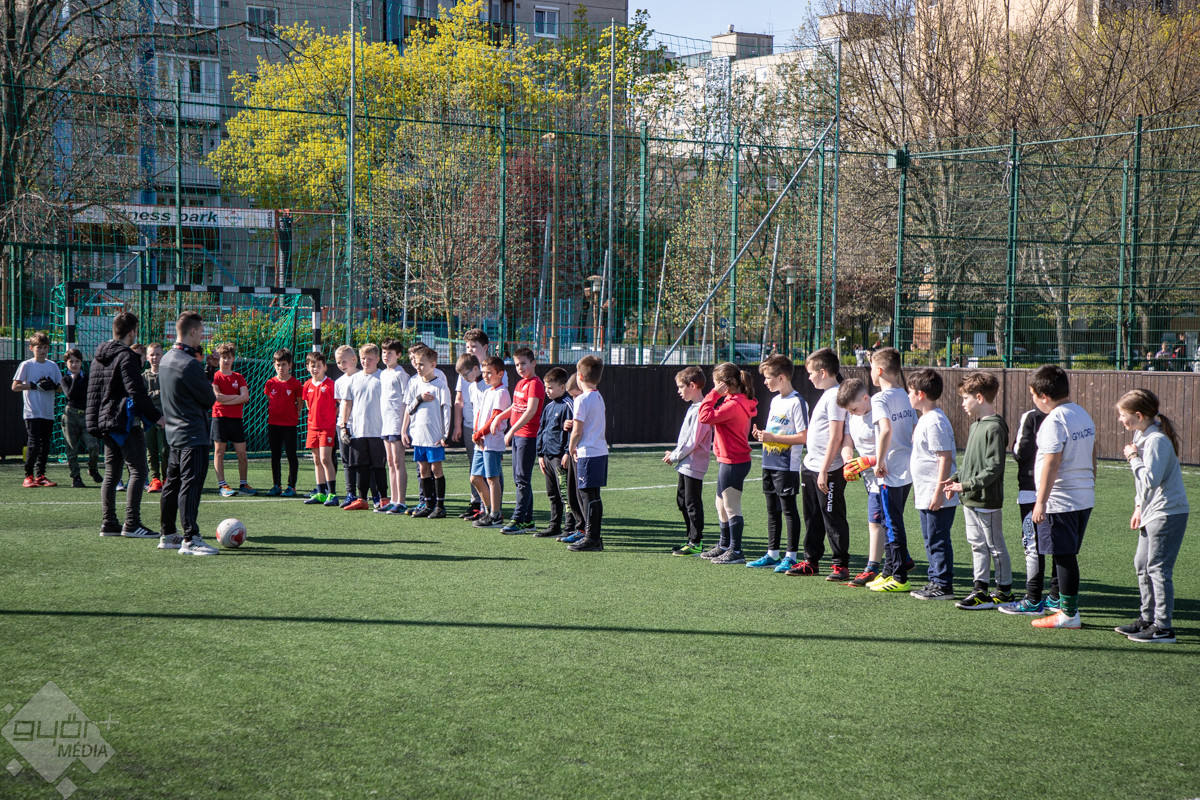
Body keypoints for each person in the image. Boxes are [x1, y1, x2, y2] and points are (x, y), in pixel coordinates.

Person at [1115, 389, 1188, 643]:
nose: (1120, 420)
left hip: (1167, 512)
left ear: (1138, 415)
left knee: (1158, 568)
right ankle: (1147, 619)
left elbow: (1150, 479)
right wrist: (1138, 507)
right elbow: (1143, 486)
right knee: (1142, 564)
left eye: (1123, 415)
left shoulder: (1156, 441)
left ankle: (1163, 627)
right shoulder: (1141, 434)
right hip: (1151, 512)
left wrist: (1133, 458)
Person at [1027, 365, 1096, 630]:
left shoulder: (1054, 421)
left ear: (1044, 396)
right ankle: (1064, 608)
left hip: (1061, 500)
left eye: (1033, 395)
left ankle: (1068, 614)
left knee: (1063, 556)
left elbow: (1051, 463)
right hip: (1083, 497)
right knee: (1066, 555)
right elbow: (1092, 453)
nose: (1033, 400)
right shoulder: (1081, 413)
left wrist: (1041, 502)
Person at [85, 312, 164, 538]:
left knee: (112, 473)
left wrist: (95, 422)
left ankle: (109, 523)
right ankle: (132, 523)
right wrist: (156, 417)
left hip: (105, 422)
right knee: (138, 470)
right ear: (132, 332)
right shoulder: (126, 356)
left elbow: (93, 393)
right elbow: (136, 392)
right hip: (125, 421)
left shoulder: (98, 357)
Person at [940, 372, 1012, 610]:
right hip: (969, 498)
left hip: (986, 499)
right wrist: (955, 479)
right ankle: (980, 589)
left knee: (994, 545)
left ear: (979, 398)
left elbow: (994, 468)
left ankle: (1004, 591)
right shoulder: (975, 426)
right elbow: (970, 463)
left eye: (965, 398)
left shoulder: (995, 427)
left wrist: (966, 485)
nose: (963, 403)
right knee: (976, 543)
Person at [158, 311, 219, 555]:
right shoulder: (189, 363)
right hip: (193, 434)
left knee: (172, 484)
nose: (202, 335)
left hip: (174, 434)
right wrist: (209, 371)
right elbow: (208, 398)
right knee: (190, 487)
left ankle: (167, 534)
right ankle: (190, 538)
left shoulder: (165, 359)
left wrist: (209, 368)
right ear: (192, 331)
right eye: (201, 331)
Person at [790, 347, 850, 581]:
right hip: (811, 466)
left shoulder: (835, 396)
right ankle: (811, 561)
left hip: (829, 469)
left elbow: (836, 437)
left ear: (823, 372)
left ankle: (840, 565)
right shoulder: (828, 394)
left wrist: (824, 470)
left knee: (832, 517)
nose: (809, 377)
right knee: (812, 516)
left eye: (811, 373)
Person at [748, 355, 808, 571]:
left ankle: (791, 556)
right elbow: (776, 431)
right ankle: (772, 554)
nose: (765, 381)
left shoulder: (797, 402)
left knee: (788, 510)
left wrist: (772, 437)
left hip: (786, 466)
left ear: (781, 378)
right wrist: (762, 435)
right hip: (769, 462)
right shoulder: (775, 400)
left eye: (768, 377)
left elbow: (803, 437)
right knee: (772, 511)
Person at [998, 400, 1057, 615]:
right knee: (1059, 545)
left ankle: (1033, 599)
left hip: (1031, 489)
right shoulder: (1068, 415)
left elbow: (1020, 452)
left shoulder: (1031, 416)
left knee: (1032, 544)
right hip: (1060, 490)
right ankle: (1056, 596)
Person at [905, 368, 958, 600]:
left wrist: (938, 492)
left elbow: (944, 457)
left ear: (921, 394)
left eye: (910, 391)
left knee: (938, 539)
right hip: (927, 491)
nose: (908, 395)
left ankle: (943, 585)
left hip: (937, 493)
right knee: (930, 538)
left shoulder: (935, 421)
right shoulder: (925, 419)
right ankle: (935, 580)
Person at [868, 347, 918, 593]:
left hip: (890, 470)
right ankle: (889, 571)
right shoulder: (906, 395)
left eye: (870, 368)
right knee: (891, 521)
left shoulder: (880, 399)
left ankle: (899, 577)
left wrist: (879, 461)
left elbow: (886, 429)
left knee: (892, 522)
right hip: (907, 467)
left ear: (878, 370)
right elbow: (914, 428)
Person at [698, 362, 757, 564]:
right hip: (728, 460)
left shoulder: (733, 405)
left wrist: (713, 394)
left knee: (731, 506)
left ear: (725, 384)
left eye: (716, 383)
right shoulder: (735, 400)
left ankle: (736, 550)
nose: (714, 387)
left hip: (733, 461)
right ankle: (724, 545)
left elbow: (704, 416)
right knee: (720, 504)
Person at [836, 378, 886, 587]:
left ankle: (872, 567)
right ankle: (903, 559)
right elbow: (847, 441)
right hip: (869, 479)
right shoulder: (853, 414)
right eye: (849, 410)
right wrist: (849, 460)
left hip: (884, 477)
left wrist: (870, 461)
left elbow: (895, 447)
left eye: (854, 408)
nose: (852, 413)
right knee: (884, 522)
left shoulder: (880, 414)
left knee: (875, 522)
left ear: (866, 398)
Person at [455, 329, 508, 520]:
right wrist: (472, 430)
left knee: (493, 474)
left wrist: (482, 431)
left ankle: (495, 511)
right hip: (477, 432)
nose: (470, 349)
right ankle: (483, 508)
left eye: (474, 346)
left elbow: (497, 413)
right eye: (467, 346)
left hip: (491, 435)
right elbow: (473, 408)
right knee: (476, 474)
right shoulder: (473, 384)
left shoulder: (497, 381)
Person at [666, 366, 713, 557]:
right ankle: (691, 539)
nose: (679, 391)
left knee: (692, 503)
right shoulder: (694, 407)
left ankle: (696, 542)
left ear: (692, 385)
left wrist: (675, 455)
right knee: (682, 501)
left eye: (681, 387)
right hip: (685, 463)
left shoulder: (702, 409)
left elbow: (693, 441)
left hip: (693, 464)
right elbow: (686, 439)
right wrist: (676, 453)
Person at [498, 348, 545, 534]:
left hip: (528, 436)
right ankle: (528, 520)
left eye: (523, 363)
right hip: (518, 436)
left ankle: (518, 519)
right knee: (519, 479)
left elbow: (531, 411)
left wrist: (511, 430)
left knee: (523, 479)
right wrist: (498, 417)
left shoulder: (535, 384)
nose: (520, 367)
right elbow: (515, 407)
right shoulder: (520, 383)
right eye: (517, 364)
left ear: (533, 363)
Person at [402, 344, 452, 518]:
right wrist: (419, 399)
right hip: (418, 436)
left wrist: (445, 434)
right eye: (417, 364)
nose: (418, 367)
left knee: (436, 469)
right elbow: (409, 409)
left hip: (434, 436)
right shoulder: (415, 384)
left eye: (422, 364)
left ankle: (440, 506)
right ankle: (428, 505)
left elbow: (446, 410)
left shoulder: (440, 386)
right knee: (423, 470)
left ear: (433, 365)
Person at [566, 355, 608, 553]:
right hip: (599, 451)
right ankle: (595, 537)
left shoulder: (582, 399)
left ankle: (591, 538)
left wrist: (571, 446)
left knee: (586, 496)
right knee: (594, 496)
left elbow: (577, 430)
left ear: (580, 376)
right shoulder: (598, 397)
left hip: (587, 452)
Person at [340, 343, 388, 511]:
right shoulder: (354, 379)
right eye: (363, 358)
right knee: (361, 466)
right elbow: (347, 403)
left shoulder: (383, 377)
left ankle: (383, 498)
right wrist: (344, 426)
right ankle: (362, 499)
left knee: (379, 466)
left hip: (378, 430)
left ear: (377, 359)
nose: (366, 362)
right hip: (358, 430)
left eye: (369, 359)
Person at [13, 331, 63, 488]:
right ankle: (28, 476)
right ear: (31, 348)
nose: (42, 351)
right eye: (39, 347)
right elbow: (15, 386)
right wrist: (34, 385)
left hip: (47, 411)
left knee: (45, 444)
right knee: (34, 443)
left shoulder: (52, 366)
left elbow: (61, 388)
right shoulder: (26, 365)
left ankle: (40, 475)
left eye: (45, 347)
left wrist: (53, 386)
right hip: (32, 411)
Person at [471, 356, 510, 528]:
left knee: (492, 478)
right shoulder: (488, 391)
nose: (485, 376)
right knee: (475, 478)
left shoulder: (502, 392)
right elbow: (480, 414)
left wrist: (480, 433)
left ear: (500, 374)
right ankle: (489, 511)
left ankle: (496, 514)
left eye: (489, 373)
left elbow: (495, 417)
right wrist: (476, 432)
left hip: (492, 442)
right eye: (484, 372)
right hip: (481, 442)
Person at [210, 342, 254, 497]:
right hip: (219, 418)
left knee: (242, 453)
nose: (226, 360)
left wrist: (226, 400)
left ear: (234, 359)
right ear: (219, 359)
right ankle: (222, 485)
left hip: (236, 419)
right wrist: (236, 398)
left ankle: (243, 484)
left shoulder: (239, 377)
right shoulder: (215, 376)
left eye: (229, 357)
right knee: (219, 452)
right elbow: (217, 397)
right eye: (224, 357)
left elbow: (245, 397)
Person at [536, 367, 575, 539]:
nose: (547, 391)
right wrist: (540, 454)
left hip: (560, 458)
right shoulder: (548, 407)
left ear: (562, 387)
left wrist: (567, 452)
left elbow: (572, 432)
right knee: (552, 494)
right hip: (547, 457)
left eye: (550, 388)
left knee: (565, 494)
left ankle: (570, 527)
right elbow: (542, 430)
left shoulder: (568, 405)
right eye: (546, 387)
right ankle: (554, 526)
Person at [264, 348, 303, 497]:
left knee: (291, 455)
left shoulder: (296, 384)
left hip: (289, 426)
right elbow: (270, 399)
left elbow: (299, 404)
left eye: (284, 364)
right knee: (275, 455)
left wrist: (292, 416)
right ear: (274, 365)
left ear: (290, 365)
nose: (281, 368)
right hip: (273, 424)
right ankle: (276, 485)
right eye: (278, 364)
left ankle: (291, 486)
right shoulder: (270, 383)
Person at [60, 347, 101, 488]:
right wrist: (75, 379)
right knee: (71, 448)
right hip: (70, 414)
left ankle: (92, 468)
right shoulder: (65, 379)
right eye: (71, 361)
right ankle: (76, 477)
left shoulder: (87, 378)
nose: (74, 364)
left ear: (81, 362)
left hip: (86, 414)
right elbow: (70, 395)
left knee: (93, 446)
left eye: (77, 361)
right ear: (66, 363)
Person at [302, 351, 338, 506]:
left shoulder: (330, 384)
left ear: (325, 367)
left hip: (326, 428)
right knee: (316, 460)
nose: (315, 369)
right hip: (312, 427)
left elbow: (338, 404)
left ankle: (332, 494)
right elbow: (308, 405)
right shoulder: (307, 385)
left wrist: (330, 419)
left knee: (325, 459)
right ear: (307, 367)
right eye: (312, 366)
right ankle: (321, 493)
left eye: (318, 365)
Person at [379, 339, 410, 514]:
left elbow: (407, 401)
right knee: (390, 462)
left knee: (398, 462)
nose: (386, 356)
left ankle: (401, 502)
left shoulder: (401, 374)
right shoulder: (383, 374)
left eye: (390, 353)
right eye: (384, 352)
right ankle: (393, 500)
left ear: (398, 355)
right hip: (386, 423)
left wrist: (404, 427)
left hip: (397, 423)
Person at [557, 374, 587, 543]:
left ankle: (587, 531)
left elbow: (586, 427)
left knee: (584, 495)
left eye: (576, 395)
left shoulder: (588, 401)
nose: (574, 399)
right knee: (572, 493)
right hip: (576, 452)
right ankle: (580, 528)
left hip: (584, 453)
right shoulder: (578, 404)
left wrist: (568, 451)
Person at [332, 344, 360, 507]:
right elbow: (340, 403)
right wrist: (342, 425)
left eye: (344, 361)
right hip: (343, 425)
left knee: (361, 461)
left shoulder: (362, 377)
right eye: (338, 362)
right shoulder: (339, 382)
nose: (341, 365)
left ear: (354, 359)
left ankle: (365, 494)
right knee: (346, 461)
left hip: (361, 425)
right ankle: (351, 493)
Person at [142, 344, 169, 493]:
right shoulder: (143, 377)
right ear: (147, 357)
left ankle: (167, 478)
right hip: (148, 419)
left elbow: (169, 394)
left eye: (158, 354)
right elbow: (141, 397)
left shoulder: (167, 375)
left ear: (162, 356)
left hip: (165, 418)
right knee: (150, 451)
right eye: (152, 355)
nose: (155, 357)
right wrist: (157, 394)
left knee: (165, 450)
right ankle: (155, 479)